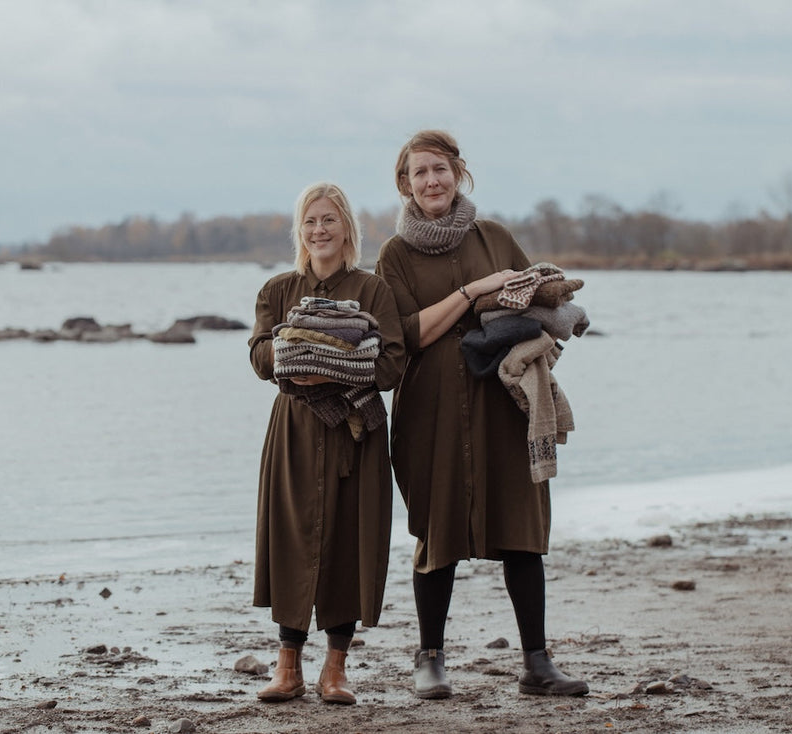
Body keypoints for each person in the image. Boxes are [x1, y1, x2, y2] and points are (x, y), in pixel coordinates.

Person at [375, 130, 589, 698]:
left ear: (458, 173)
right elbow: (410, 335)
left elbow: (542, 301)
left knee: (522, 524)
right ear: (406, 184)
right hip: (431, 410)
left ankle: (538, 664)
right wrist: (474, 293)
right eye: (419, 172)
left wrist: (538, 306)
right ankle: (429, 658)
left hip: (503, 402)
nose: (432, 181)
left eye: (440, 169)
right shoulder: (394, 255)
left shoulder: (494, 236)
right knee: (436, 526)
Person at [248, 182, 405, 705]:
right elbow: (261, 357)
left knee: (347, 539)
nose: (320, 230)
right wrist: (303, 356)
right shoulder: (276, 291)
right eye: (311, 221)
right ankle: (287, 665)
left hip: (355, 432)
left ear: (347, 229)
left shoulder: (373, 290)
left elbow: (390, 364)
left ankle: (334, 669)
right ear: (300, 230)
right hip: (294, 431)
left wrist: (326, 366)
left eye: (330, 220)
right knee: (290, 537)